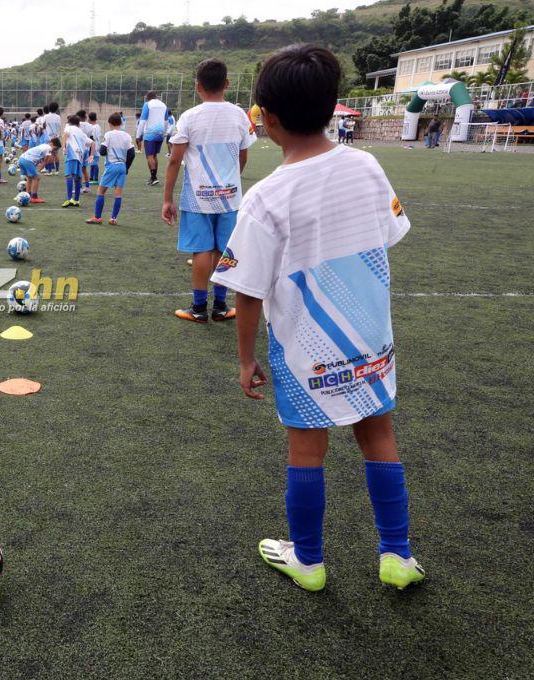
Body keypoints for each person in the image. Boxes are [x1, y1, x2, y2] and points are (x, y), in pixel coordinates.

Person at [211, 44, 425, 593]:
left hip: (305, 349)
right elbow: (388, 235)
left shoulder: (265, 197)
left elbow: (247, 293)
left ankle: (308, 561)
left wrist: (245, 360)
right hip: (370, 341)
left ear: (268, 118)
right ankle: (397, 555)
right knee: (378, 436)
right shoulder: (367, 166)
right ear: (332, 107)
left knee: (306, 450)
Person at [162, 58, 256, 323]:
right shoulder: (239, 115)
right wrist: (230, 182)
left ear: (198, 86)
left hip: (198, 197)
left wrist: (167, 199)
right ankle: (221, 306)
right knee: (225, 250)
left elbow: (174, 160)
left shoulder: (189, 117)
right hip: (230, 197)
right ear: (227, 83)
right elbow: (243, 156)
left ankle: (199, 308)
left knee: (201, 250)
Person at [86, 112, 134, 225]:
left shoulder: (109, 134)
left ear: (110, 123)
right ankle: (113, 218)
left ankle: (97, 217)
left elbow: (102, 151)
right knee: (118, 193)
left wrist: (106, 149)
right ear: (120, 123)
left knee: (101, 190)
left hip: (112, 165)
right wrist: (126, 167)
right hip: (122, 166)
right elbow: (132, 153)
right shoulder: (127, 135)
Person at [136, 90, 171, 185]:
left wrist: (138, 135)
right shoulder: (163, 105)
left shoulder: (147, 104)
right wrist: (163, 132)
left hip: (150, 133)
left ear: (148, 97)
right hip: (160, 133)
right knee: (154, 155)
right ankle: (153, 177)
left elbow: (142, 121)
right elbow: (166, 121)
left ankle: (154, 177)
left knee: (149, 156)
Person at [60, 114, 92, 207]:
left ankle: (69, 199)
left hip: (71, 155)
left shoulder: (69, 128)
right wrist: (91, 155)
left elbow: (65, 135)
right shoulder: (81, 132)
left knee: (69, 176)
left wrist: (64, 147)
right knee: (78, 177)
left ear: (69, 122)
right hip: (80, 156)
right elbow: (92, 143)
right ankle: (77, 200)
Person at [18, 138, 60, 203]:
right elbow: (47, 160)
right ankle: (34, 197)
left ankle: (28, 195)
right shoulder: (49, 148)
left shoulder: (44, 146)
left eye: (57, 150)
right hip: (27, 160)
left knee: (29, 178)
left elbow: (39, 158)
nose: (55, 151)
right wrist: (40, 169)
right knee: (37, 178)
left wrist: (39, 168)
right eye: (55, 149)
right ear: (51, 144)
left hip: (22, 158)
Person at [43, 102, 62, 174]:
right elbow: (59, 126)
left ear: (49, 108)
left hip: (49, 137)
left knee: (49, 154)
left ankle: (49, 171)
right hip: (56, 137)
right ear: (56, 109)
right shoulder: (58, 117)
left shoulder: (46, 116)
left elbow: (43, 126)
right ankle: (57, 171)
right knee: (56, 154)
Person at [87, 111, 102, 185]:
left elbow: (92, 137)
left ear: (90, 118)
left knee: (94, 162)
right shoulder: (97, 126)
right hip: (96, 146)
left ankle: (95, 179)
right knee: (92, 162)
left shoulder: (93, 127)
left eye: (88, 118)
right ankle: (91, 178)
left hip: (94, 147)